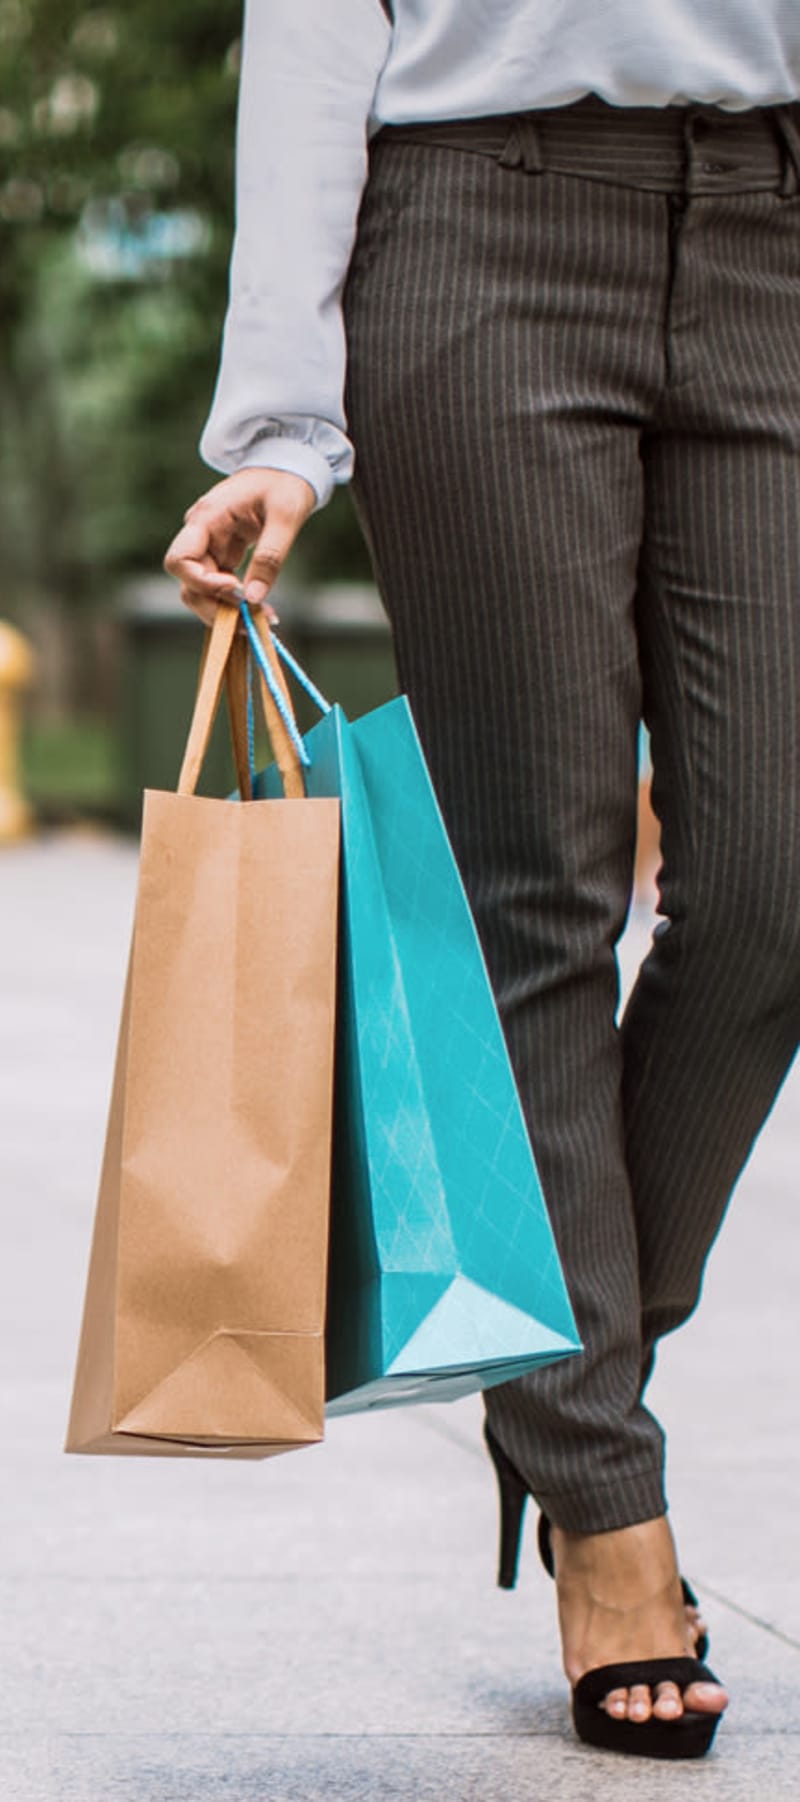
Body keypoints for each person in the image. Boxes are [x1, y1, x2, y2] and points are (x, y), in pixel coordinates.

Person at [165, 1, 800, 1760]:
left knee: (772, 883)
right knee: (541, 898)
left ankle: (555, 1377)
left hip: (773, 222)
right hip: (480, 225)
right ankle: (610, 1515)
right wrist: (282, 424)